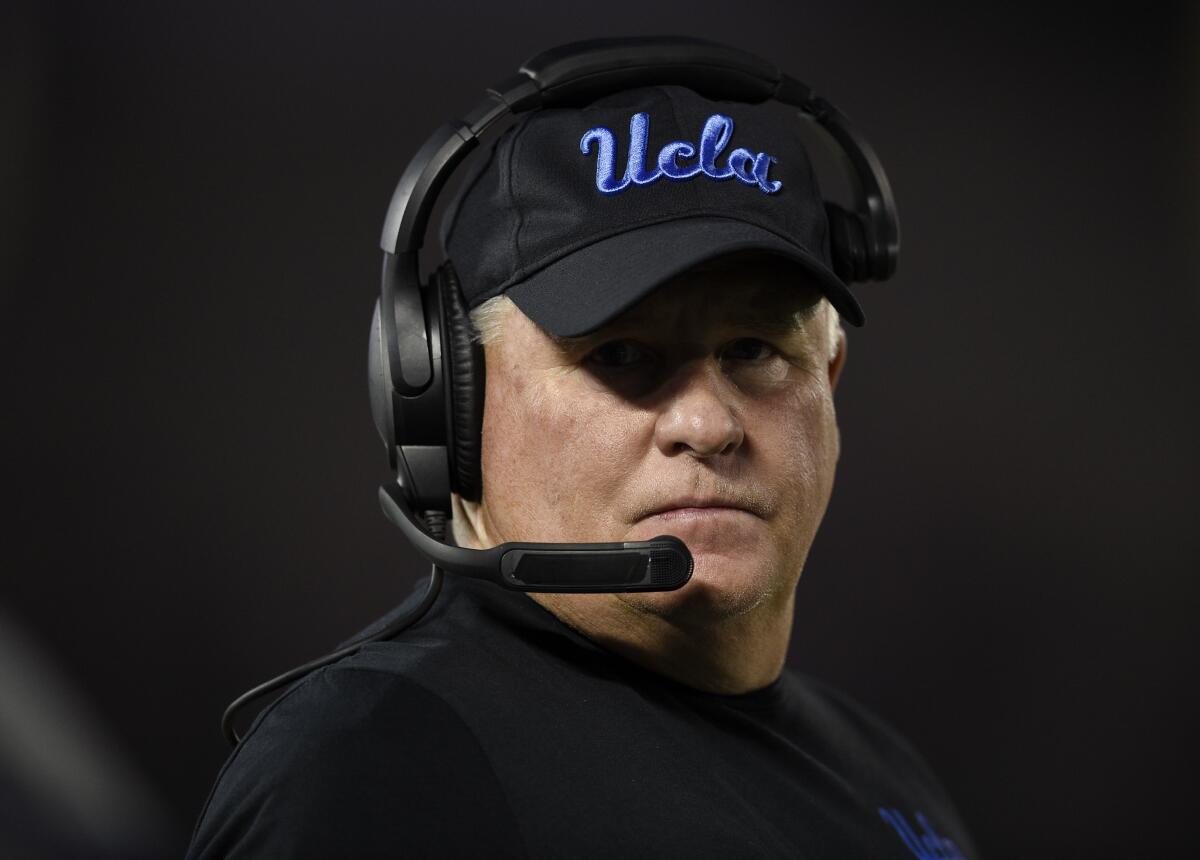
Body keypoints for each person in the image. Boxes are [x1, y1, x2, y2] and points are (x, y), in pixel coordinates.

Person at [187, 74, 979, 859]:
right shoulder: (372, 769)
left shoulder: (888, 781)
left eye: (754, 350)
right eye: (621, 354)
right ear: (452, 399)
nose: (706, 423)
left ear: (828, 380)